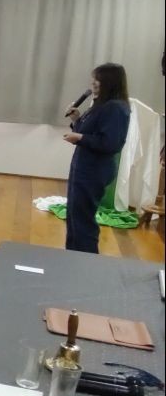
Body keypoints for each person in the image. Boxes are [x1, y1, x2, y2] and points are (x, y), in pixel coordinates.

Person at [62, 63, 132, 254]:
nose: (93, 83)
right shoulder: (100, 104)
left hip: (94, 170)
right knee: (74, 216)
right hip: (83, 166)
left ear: (109, 82)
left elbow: (110, 143)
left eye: (97, 79)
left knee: (83, 219)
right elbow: (88, 132)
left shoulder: (116, 108)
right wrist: (77, 120)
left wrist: (80, 137)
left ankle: (86, 263)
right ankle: (72, 257)